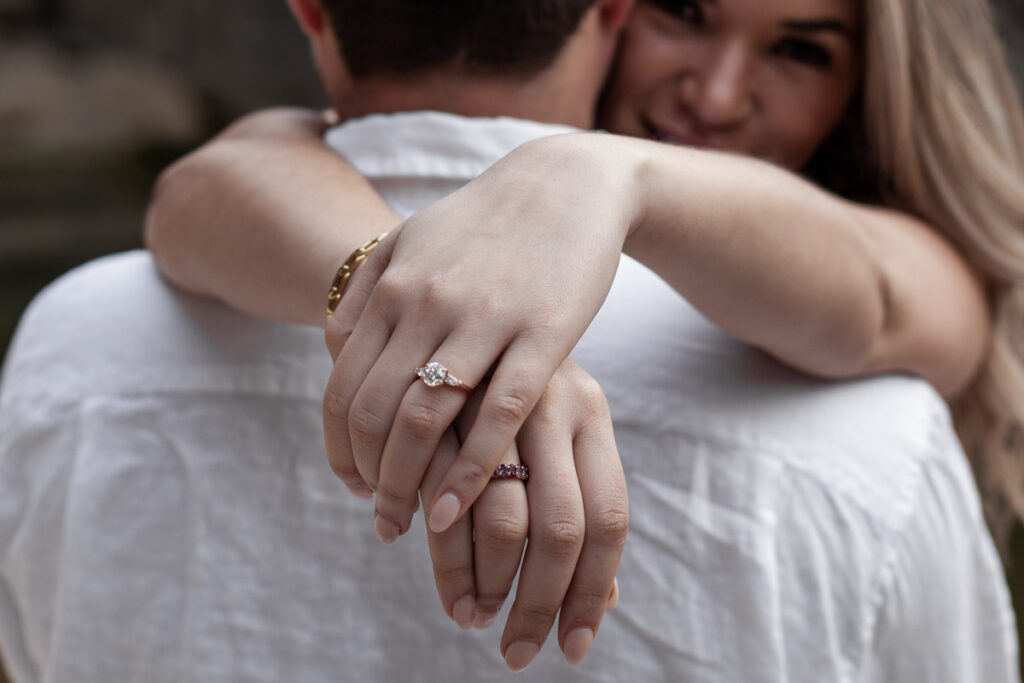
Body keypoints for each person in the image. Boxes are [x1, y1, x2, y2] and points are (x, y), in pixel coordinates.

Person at [0, 3, 1018, 683]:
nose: (711, 98)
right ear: (612, 10)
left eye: (801, 49)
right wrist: (451, 331)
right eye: (683, 8)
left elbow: (908, 300)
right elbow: (208, 183)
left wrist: (600, 175)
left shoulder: (71, 337)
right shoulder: (871, 432)